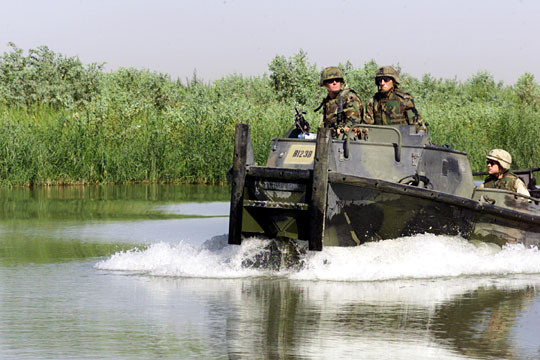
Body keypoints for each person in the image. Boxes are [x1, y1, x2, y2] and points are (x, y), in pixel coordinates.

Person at [316, 66, 364, 138]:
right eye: (330, 81)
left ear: (341, 82)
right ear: (325, 84)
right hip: (331, 140)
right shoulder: (328, 101)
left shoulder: (349, 98)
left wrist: (339, 130)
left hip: (347, 140)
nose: (335, 83)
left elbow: (353, 122)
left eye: (337, 80)